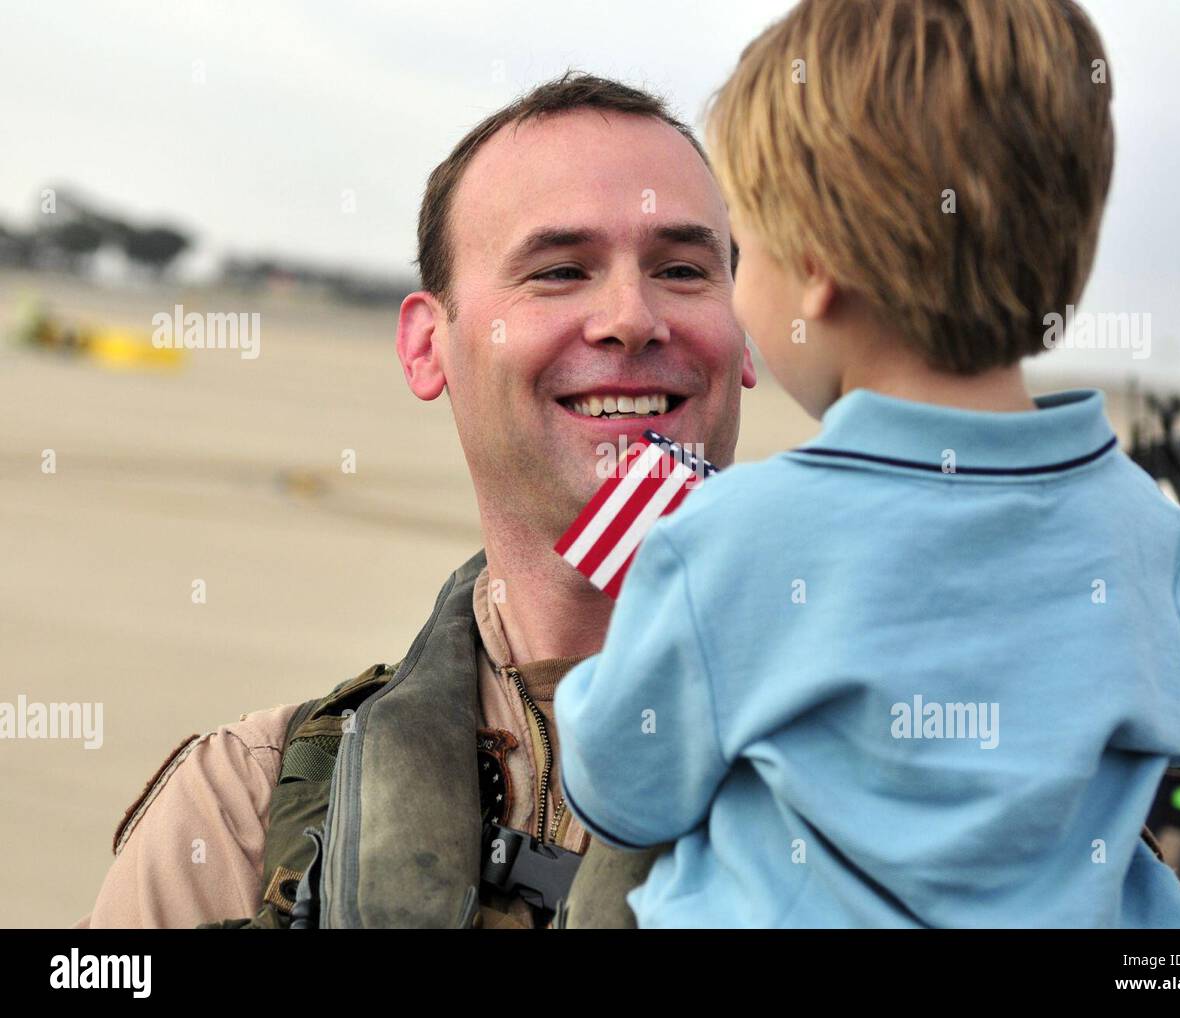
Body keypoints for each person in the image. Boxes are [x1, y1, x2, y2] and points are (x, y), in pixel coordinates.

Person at [554, 0, 1180, 928]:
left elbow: (623, 793)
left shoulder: (730, 539)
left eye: (740, 250)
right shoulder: (1155, 535)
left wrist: (598, 677)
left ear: (815, 269)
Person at [74, 72, 757, 929]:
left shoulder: (902, 777)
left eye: (684, 269)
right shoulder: (243, 811)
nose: (631, 316)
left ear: (747, 336)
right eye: (559, 271)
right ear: (428, 346)